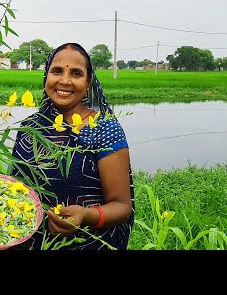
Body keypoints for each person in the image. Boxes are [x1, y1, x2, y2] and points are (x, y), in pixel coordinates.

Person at [10, 42, 134, 250]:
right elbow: (15, 192)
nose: (64, 81)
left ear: (87, 84)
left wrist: (86, 216)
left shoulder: (104, 130)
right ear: (46, 78)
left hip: (89, 243)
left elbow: (122, 206)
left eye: (76, 73)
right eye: (57, 71)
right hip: (32, 243)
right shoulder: (30, 128)